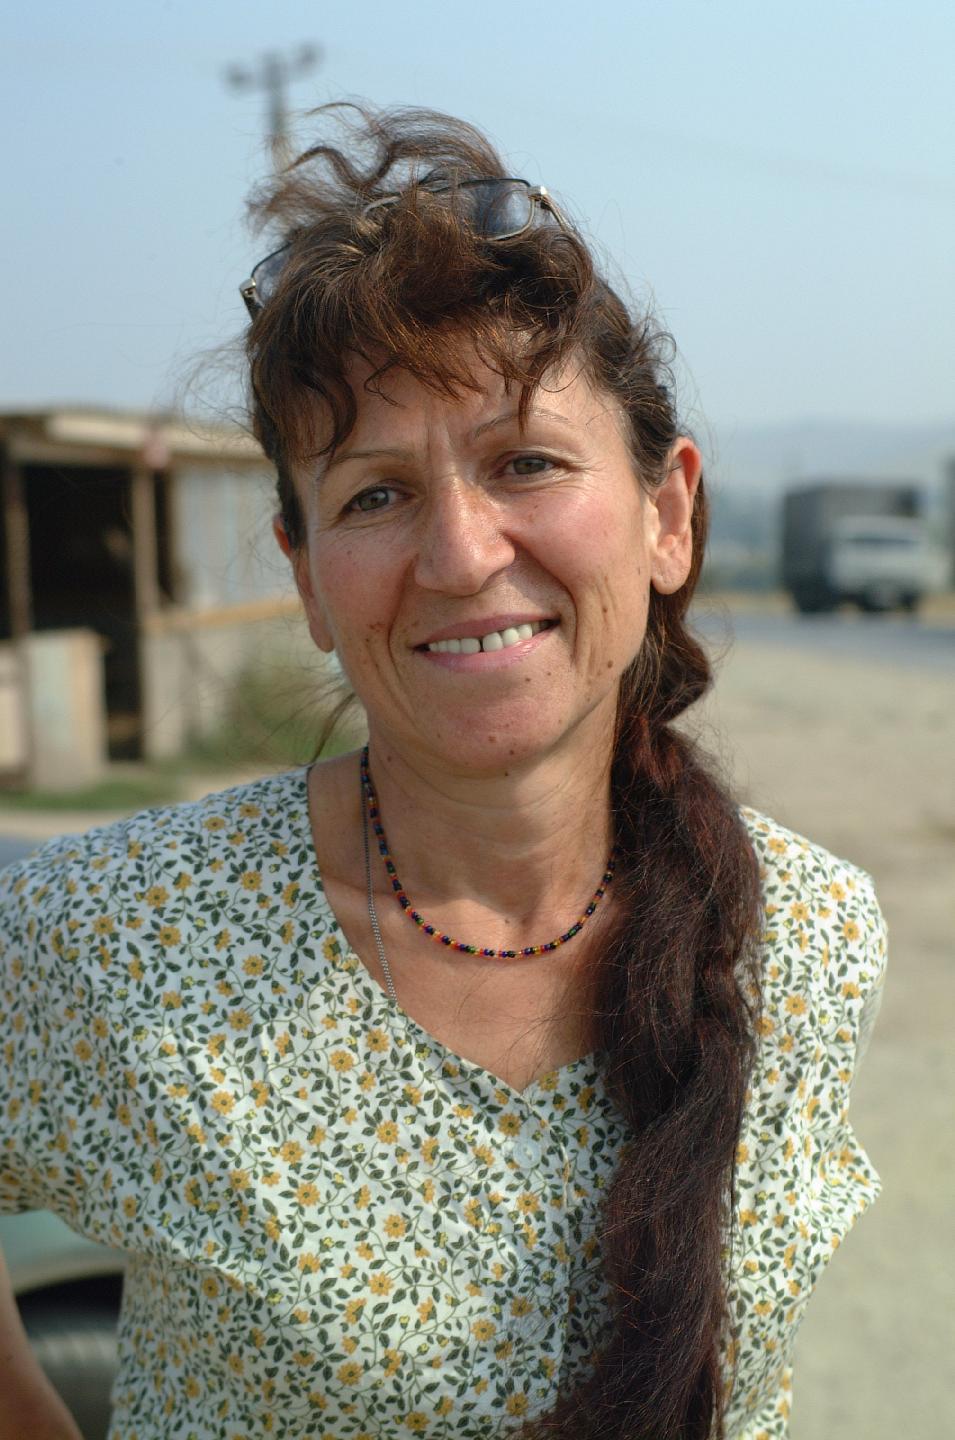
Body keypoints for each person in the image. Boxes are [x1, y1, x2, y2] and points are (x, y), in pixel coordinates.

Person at [0, 105, 887, 1440]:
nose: (463, 555)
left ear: (667, 513)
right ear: (308, 577)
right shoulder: (121, 937)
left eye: (526, 462)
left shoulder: (811, 939)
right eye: (374, 494)